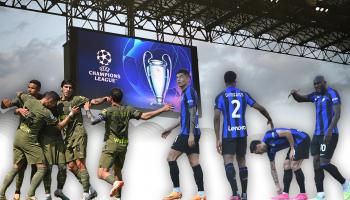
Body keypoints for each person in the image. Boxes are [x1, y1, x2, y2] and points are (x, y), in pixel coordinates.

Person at [89, 88, 172, 199]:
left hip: (111, 146)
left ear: (111, 98)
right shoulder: (128, 109)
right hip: (123, 146)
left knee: (101, 173)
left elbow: (93, 121)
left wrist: (87, 110)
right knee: (117, 171)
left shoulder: (107, 111)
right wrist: (162, 109)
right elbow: (145, 116)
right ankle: (118, 198)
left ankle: (114, 183)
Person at [0, 91, 79, 200]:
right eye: (53, 104)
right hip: (29, 141)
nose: (53, 106)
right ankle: (30, 195)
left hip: (18, 137)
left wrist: (16, 108)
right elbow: (59, 126)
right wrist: (71, 114)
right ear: (50, 101)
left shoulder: (29, 99)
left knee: (16, 167)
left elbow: (19, 93)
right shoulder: (45, 112)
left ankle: (1, 195)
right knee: (43, 168)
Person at [213, 71, 273, 200]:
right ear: (235, 81)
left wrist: (217, 138)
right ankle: (245, 194)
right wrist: (269, 118)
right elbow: (260, 108)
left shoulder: (220, 96)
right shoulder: (244, 95)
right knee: (242, 162)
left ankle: (235, 194)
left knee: (228, 162)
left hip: (228, 134)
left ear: (225, 82)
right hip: (242, 134)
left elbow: (216, 118)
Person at [290, 75, 350, 200]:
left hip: (329, 134)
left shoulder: (332, 93)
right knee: (316, 163)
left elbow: (338, 113)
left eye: (319, 83)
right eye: (315, 84)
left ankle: (346, 184)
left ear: (324, 82)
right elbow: (301, 99)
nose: (317, 85)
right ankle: (320, 195)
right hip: (317, 135)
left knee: (324, 163)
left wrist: (329, 130)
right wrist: (294, 94)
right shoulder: (315, 95)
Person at [57, 80, 110, 200]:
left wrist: (104, 98)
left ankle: (85, 194)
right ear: (61, 88)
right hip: (67, 138)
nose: (68, 89)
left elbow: (93, 101)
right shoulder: (57, 103)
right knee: (71, 166)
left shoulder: (76, 100)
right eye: (66, 87)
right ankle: (91, 190)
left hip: (78, 134)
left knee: (80, 164)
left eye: (70, 87)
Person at [161, 69, 205, 200]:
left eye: (181, 77)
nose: (179, 79)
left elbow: (192, 113)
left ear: (188, 78)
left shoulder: (190, 92)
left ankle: (176, 191)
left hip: (187, 134)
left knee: (170, 158)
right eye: (177, 77)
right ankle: (201, 194)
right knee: (194, 162)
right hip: (194, 133)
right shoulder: (185, 94)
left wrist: (190, 134)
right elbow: (183, 117)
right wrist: (169, 128)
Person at [1, 80, 42, 200]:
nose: (29, 90)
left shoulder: (43, 99)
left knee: (36, 167)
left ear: (38, 89)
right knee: (20, 166)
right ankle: (16, 192)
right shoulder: (22, 97)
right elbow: (6, 106)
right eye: (28, 87)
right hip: (23, 136)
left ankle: (31, 194)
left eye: (33, 88)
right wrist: (10, 106)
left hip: (38, 138)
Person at [250, 128, 310, 200]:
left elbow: (287, 133)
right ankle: (285, 195)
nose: (260, 154)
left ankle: (303, 194)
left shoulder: (268, 137)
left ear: (258, 146)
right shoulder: (270, 151)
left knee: (294, 165)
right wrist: (277, 186)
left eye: (257, 152)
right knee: (286, 165)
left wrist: (292, 148)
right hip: (295, 143)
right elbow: (272, 168)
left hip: (301, 138)